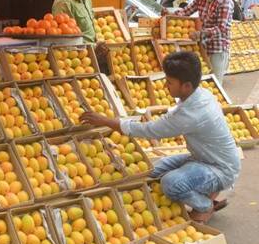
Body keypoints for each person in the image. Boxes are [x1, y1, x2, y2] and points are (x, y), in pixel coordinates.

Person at [81, 51, 240, 223]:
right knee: (152, 169)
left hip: (220, 169)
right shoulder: (199, 94)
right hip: (201, 158)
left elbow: (151, 130)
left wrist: (106, 121)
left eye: (170, 82)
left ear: (186, 86)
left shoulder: (193, 114)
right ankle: (202, 191)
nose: (165, 85)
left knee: (170, 183)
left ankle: (205, 205)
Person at [163, 0, 233, 84]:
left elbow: (221, 28)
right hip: (202, 47)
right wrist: (169, 14)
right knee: (202, 82)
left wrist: (201, 33)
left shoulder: (224, 2)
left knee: (215, 83)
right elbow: (185, 12)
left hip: (217, 49)